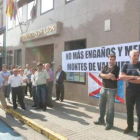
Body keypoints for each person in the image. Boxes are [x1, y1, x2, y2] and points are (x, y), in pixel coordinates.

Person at [94, 54, 120, 130]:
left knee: (110, 108)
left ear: (115, 60)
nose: (111, 60)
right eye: (110, 59)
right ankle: (101, 120)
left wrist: (104, 75)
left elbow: (107, 76)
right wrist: (107, 76)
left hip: (112, 90)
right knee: (101, 105)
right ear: (108, 59)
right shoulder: (105, 66)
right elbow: (99, 75)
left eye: (113, 59)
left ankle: (109, 123)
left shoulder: (116, 68)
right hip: (103, 88)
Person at [119, 50, 140, 140]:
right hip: (129, 91)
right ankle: (130, 127)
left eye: (138, 55)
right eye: (134, 55)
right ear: (129, 56)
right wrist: (134, 77)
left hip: (139, 92)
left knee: (139, 113)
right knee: (129, 110)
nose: (136, 56)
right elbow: (121, 77)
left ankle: (139, 133)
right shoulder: (125, 65)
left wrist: (128, 79)